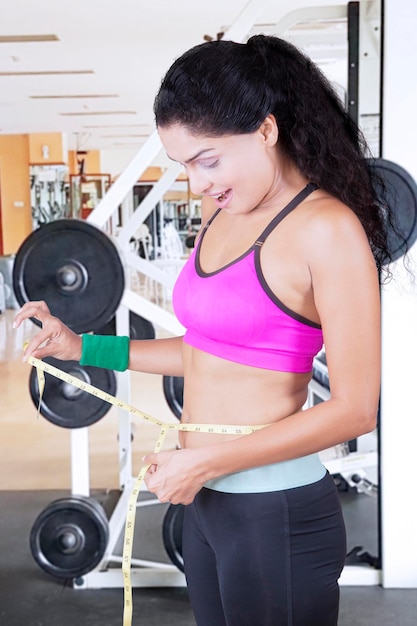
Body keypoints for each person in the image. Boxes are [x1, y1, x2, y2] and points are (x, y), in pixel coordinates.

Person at [15, 35, 393, 626]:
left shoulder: (327, 230)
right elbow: (205, 352)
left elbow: (353, 410)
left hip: (277, 511)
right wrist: (84, 345)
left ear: (266, 130)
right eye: (184, 165)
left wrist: (209, 462)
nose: (197, 183)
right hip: (208, 506)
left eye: (207, 160)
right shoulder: (223, 215)